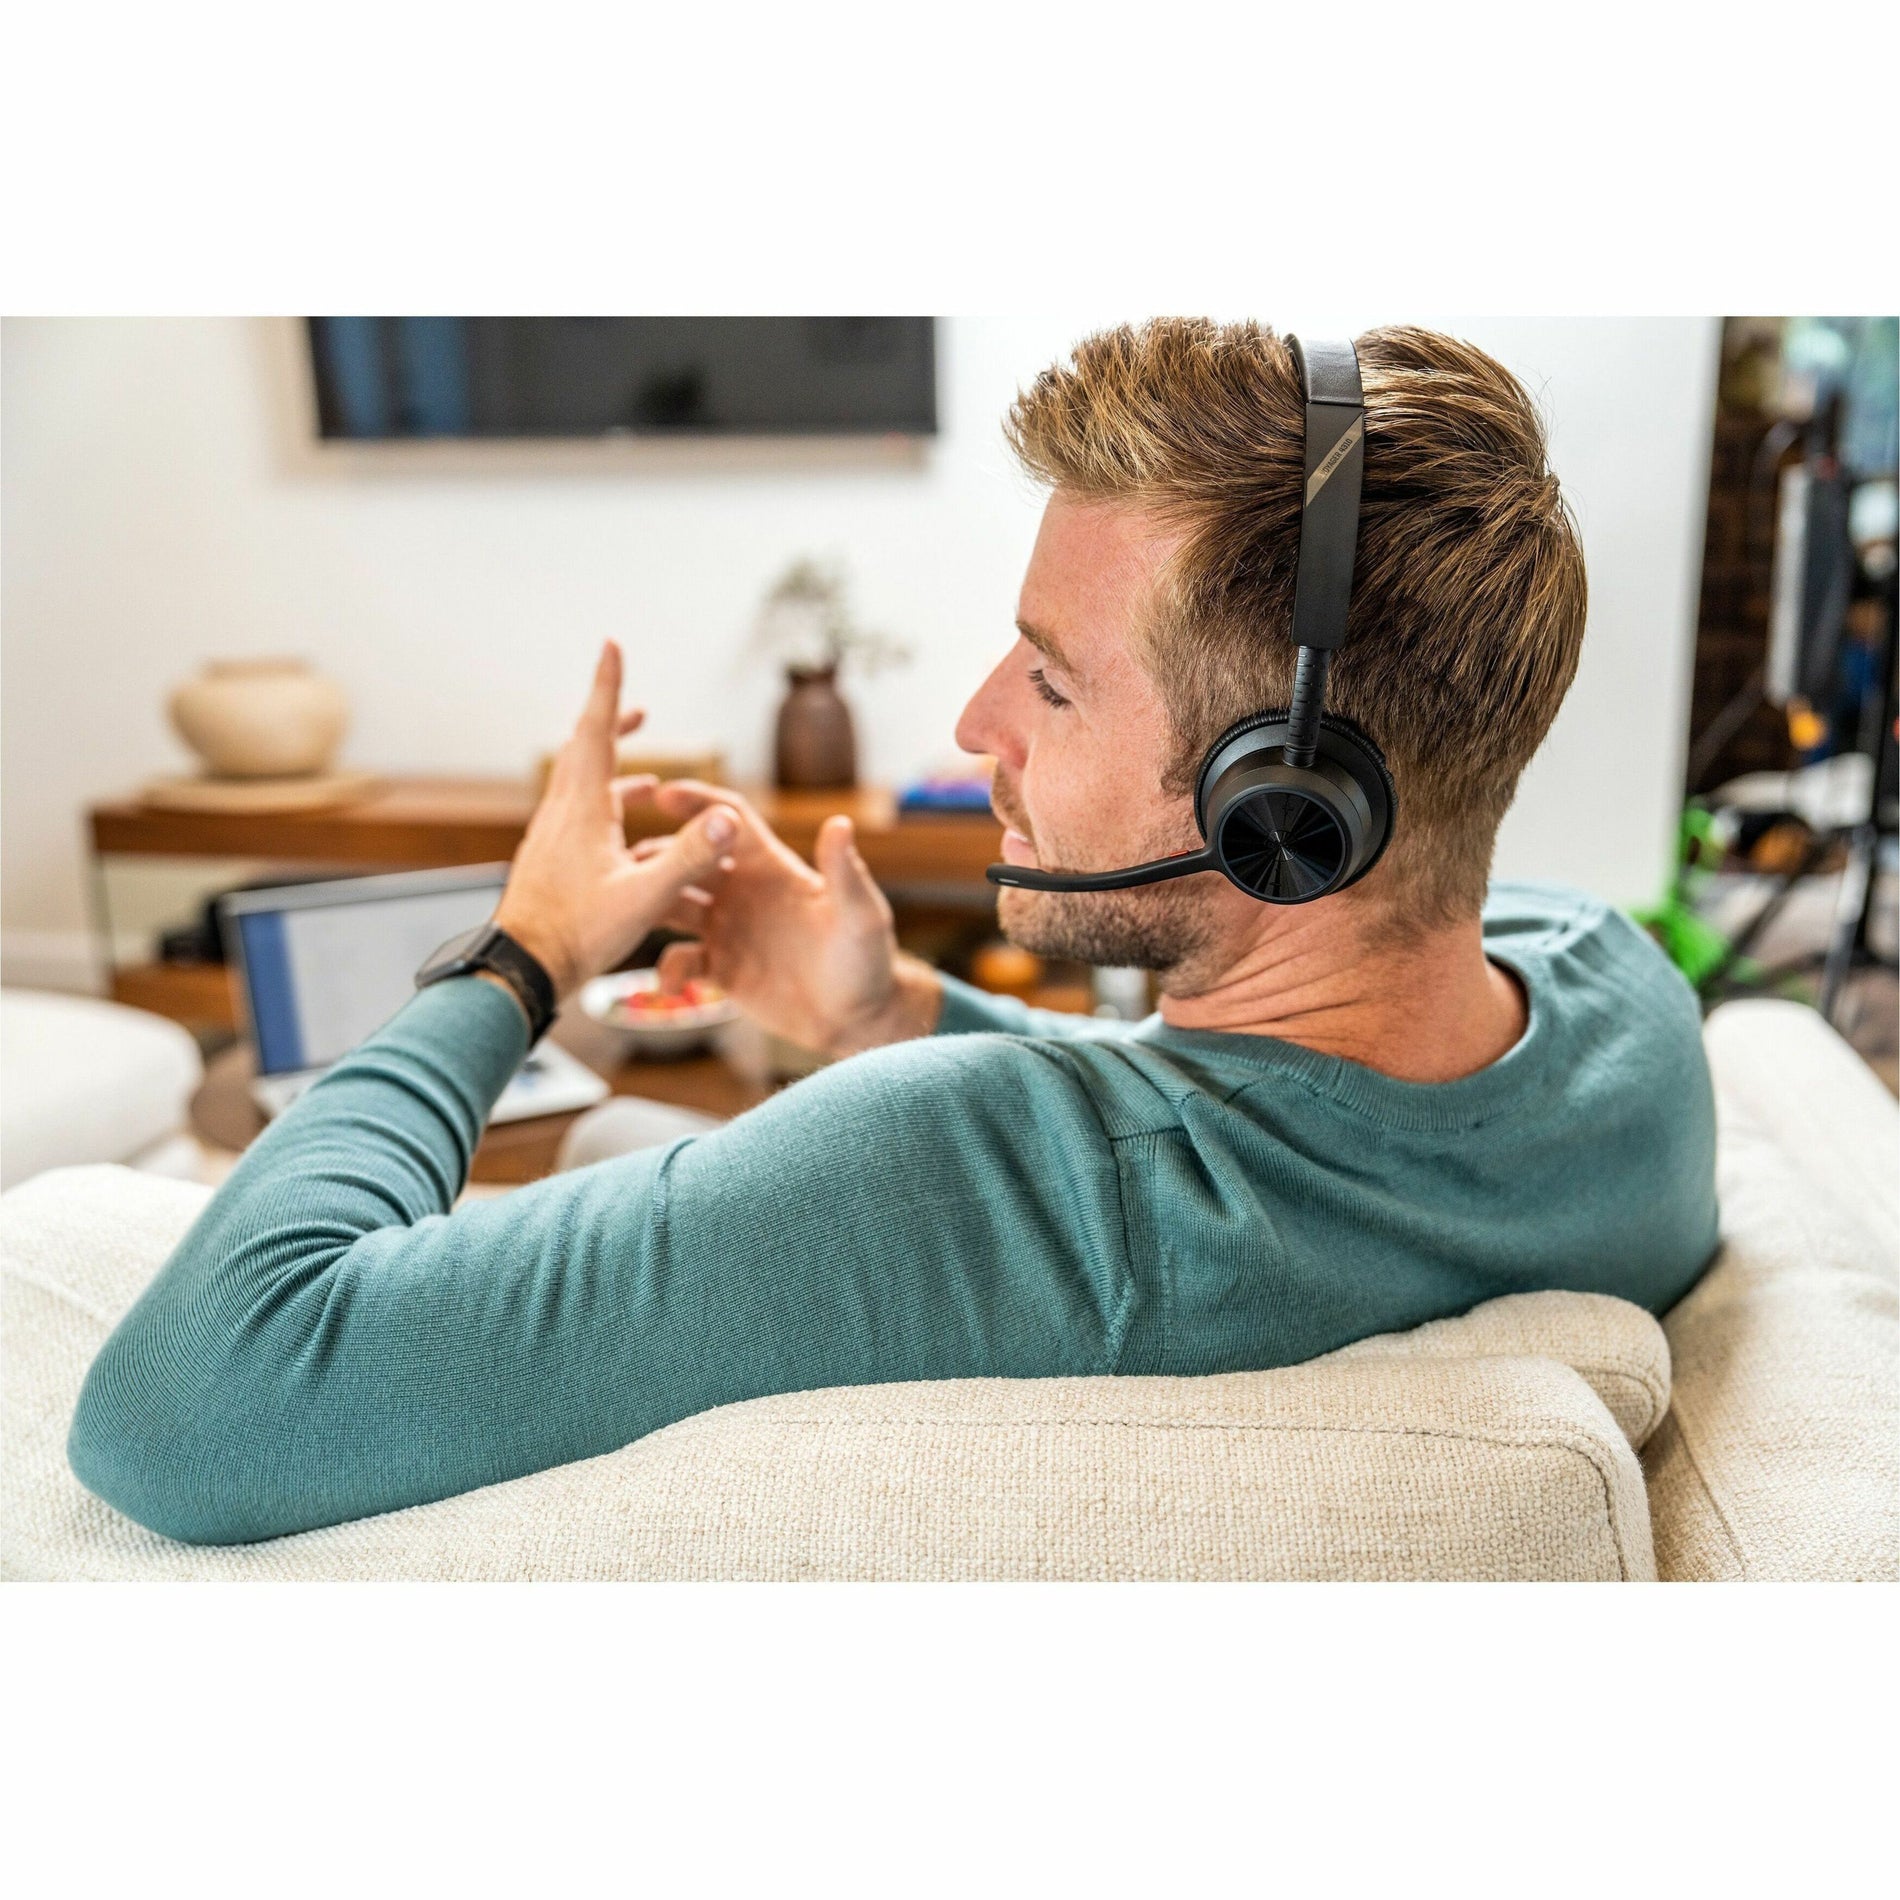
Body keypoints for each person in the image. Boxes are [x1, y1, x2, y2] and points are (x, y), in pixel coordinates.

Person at [68, 321, 1719, 1545]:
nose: (978, 720)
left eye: (1052, 678)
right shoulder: (1623, 1015)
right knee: (634, 1131)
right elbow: (1262, 1122)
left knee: (603, 1133)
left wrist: (520, 959)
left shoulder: (934, 1175)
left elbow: (193, 1402)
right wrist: (898, 1008)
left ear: (1280, 803)